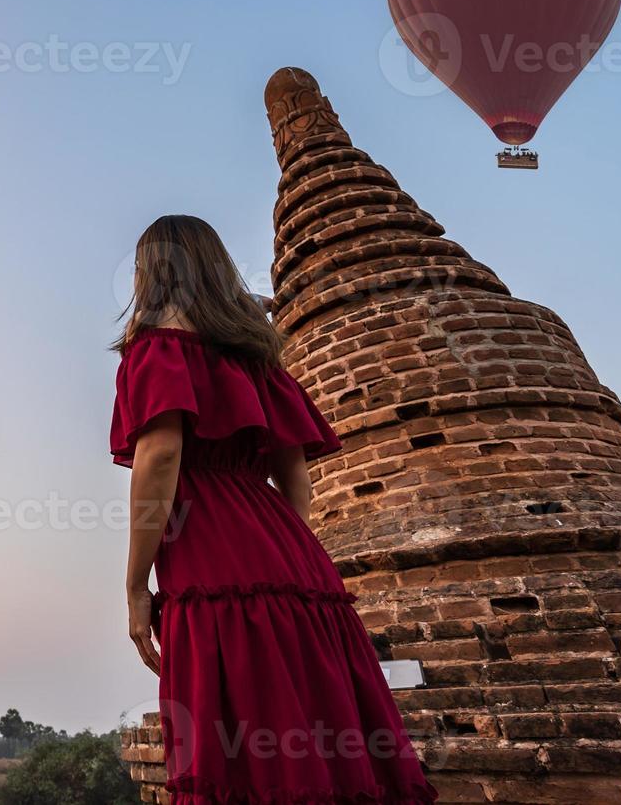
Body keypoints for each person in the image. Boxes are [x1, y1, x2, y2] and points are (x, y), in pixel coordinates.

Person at [113, 215, 436, 803]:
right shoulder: (259, 357)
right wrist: (291, 555)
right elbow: (294, 471)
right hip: (293, 556)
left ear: (149, 273)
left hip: (210, 557)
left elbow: (159, 460)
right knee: (320, 735)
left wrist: (136, 587)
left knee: (242, 749)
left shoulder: (158, 347)